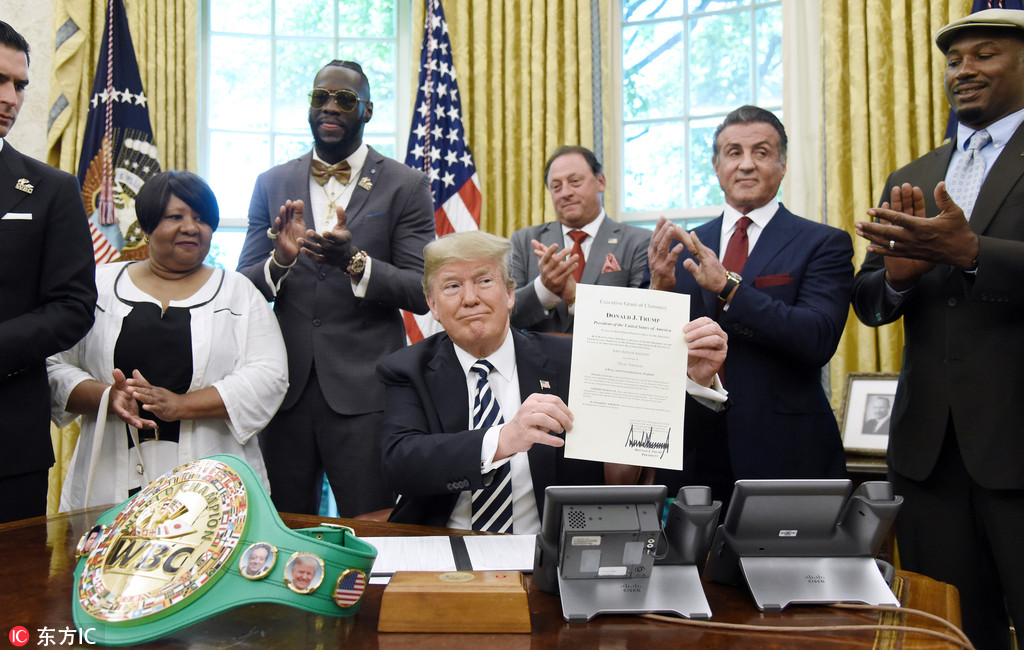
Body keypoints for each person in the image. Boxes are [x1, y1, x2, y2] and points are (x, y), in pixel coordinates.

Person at [851, 10, 1024, 649]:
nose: (965, 70)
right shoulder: (916, 174)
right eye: (955, 61)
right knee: (943, 632)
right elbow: (869, 301)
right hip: (928, 457)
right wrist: (896, 278)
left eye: (985, 55)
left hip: (1016, 442)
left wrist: (973, 252)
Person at [378, 230, 728, 532]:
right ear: (433, 305)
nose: (471, 298)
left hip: (549, 549)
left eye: (485, 281)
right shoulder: (407, 369)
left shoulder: (575, 359)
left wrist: (697, 381)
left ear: (510, 294)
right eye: (453, 286)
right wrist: (502, 438)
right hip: (445, 548)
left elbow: (646, 439)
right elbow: (400, 464)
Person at [237, 60, 435, 517]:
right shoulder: (271, 183)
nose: (330, 106)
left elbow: (419, 290)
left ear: (366, 111)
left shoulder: (405, 185)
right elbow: (244, 286)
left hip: (365, 397)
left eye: (345, 100)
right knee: (281, 529)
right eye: (320, 97)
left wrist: (355, 262)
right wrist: (281, 259)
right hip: (283, 391)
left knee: (371, 530)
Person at [648, 105, 854, 503]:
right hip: (692, 448)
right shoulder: (681, 246)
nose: (746, 165)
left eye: (761, 152)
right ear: (716, 166)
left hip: (785, 453)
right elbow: (653, 352)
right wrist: (658, 290)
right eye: (733, 152)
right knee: (693, 566)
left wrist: (728, 286)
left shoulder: (823, 243)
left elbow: (816, 338)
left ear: (782, 164)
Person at [47, 171, 287, 511]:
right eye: (175, 217)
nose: (191, 227)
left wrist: (179, 406)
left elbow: (269, 376)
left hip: (213, 481)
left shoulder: (239, 292)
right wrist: (107, 395)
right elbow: (52, 364)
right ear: (146, 227)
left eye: (202, 219)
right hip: (109, 477)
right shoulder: (97, 286)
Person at [0, 22, 97, 523]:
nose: (11, 98)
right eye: (0, 80)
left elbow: (73, 307)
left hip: (7, 443)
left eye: (19, 85)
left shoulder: (50, 189)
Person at [510, 145, 651, 333]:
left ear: (601, 182)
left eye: (575, 182)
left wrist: (575, 295)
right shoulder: (525, 240)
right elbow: (507, 315)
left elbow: (644, 319)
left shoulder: (638, 242)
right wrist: (544, 289)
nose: (565, 193)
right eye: (556, 186)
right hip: (540, 360)